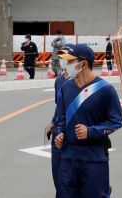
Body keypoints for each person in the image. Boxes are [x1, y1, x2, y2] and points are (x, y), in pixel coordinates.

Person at [54, 44, 122, 197]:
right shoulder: (66, 87)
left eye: (70, 61)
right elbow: (62, 117)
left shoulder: (105, 89)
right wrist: (60, 133)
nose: (66, 65)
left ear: (83, 63)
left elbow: (117, 121)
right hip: (69, 156)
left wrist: (91, 131)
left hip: (94, 157)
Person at [46, 44, 74, 196]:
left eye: (67, 57)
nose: (63, 60)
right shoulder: (59, 81)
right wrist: (53, 122)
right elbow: (60, 108)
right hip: (59, 132)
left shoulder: (81, 80)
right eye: (61, 56)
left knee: (74, 178)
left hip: (75, 133)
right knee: (58, 176)